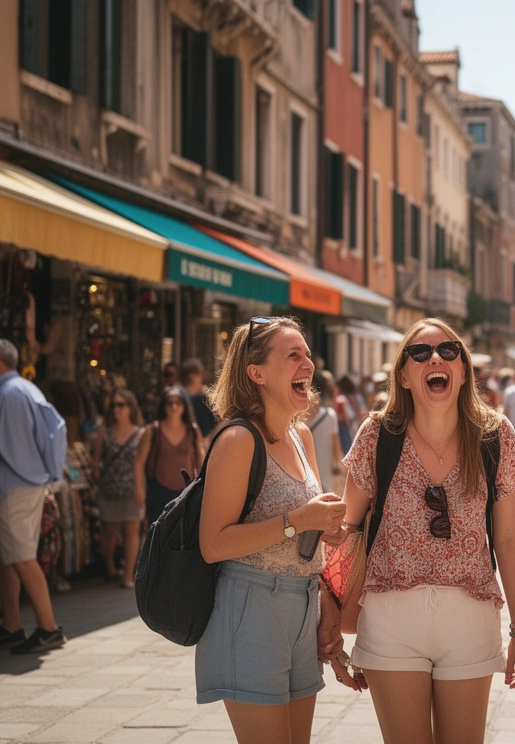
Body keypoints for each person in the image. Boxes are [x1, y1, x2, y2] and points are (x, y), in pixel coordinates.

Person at [333, 318, 515, 743]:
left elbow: (510, 539)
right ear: (404, 375)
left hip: (471, 618)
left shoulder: (495, 435)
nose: (435, 358)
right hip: (390, 618)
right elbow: (346, 532)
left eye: (449, 350)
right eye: (420, 353)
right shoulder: (377, 434)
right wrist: (329, 618)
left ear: (462, 371)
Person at [196, 315, 347, 744]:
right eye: (292, 355)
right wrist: (298, 521)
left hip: (302, 606)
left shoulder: (301, 435)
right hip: (251, 607)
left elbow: (308, 527)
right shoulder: (239, 440)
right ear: (256, 373)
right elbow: (213, 543)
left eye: (308, 354)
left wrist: (324, 532)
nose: (308, 364)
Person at [0, 339, 66, 654]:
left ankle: (48, 628)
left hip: (14, 485)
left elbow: (1, 448)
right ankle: (12, 625)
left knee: (19, 555)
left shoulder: (9, 395)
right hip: (16, 484)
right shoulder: (20, 390)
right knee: (4, 555)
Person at [91, 388, 145, 588]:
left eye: (121, 405)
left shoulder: (141, 433)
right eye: (113, 405)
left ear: (130, 408)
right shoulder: (104, 433)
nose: (116, 409)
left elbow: (144, 463)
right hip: (108, 489)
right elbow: (96, 462)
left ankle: (128, 575)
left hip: (133, 488)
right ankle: (111, 567)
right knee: (109, 530)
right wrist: (95, 476)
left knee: (131, 531)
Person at [136, 386, 206, 524]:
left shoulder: (193, 431)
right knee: (157, 536)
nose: (174, 406)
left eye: (178, 402)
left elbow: (201, 462)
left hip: (186, 492)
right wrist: (138, 489)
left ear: (184, 406)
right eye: (170, 403)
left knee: (182, 537)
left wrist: (201, 490)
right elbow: (139, 462)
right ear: (164, 406)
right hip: (157, 491)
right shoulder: (152, 430)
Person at [308, 370, 344, 495]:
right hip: (324, 472)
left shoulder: (298, 416)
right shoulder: (329, 415)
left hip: (304, 471)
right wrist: (339, 470)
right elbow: (336, 448)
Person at [182, 358, 217, 437]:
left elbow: (217, 421)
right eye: (198, 373)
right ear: (191, 375)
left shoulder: (206, 395)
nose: (202, 376)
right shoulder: (180, 395)